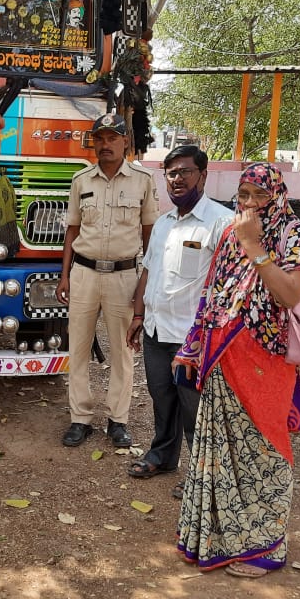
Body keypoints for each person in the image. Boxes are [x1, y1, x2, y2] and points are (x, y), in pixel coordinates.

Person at [173, 162, 300, 578]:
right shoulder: (229, 234)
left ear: (277, 195)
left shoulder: (296, 234)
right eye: (244, 194)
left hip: (267, 362)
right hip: (223, 357)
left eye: (259, 195)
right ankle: (218, 538)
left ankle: (266, 547)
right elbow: (213, 294)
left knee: (264, 451)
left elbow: (291, 295)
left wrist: (255, 247)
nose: (251, 203)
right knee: (219, 452)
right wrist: (191, 346)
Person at [125, 145, 230, 481]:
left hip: (192, 339)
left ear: (203, 175)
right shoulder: (163, 224)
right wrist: (138, 316)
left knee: (194, 408)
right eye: (171, 173)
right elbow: (148, 270)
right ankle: (162, 456)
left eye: (185, 171)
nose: (177, 179)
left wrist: (210, 336)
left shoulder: (221, 222)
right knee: (162, 398)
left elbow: (227, 285)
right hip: (157, 331)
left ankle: (201, 475)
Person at [56, 113, 158, 447]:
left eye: (112, 138)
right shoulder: (81, 180)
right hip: (83, 273)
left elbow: (150, 235)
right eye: (99, 138)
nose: (105, 144)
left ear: (126, 141)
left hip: (124, 276)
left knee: (122, 351)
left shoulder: (143, 181)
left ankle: (118, 419)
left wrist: (144, 286)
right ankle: (80, 418)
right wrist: (65, 277)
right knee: (79, 349)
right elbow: (72, 229)